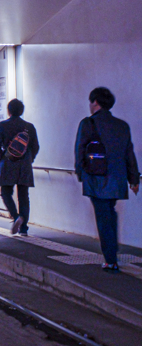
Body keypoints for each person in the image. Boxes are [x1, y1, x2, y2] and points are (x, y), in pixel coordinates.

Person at [74, 87, 140, 273]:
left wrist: (80, 172)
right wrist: (134, 179)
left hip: (96, 178)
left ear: (95, 102)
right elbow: (129, 154)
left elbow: (80, 150)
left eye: (90, 102)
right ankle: (112, 250)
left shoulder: (88, 123)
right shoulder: (122, 125)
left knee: (103, 216)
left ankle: (111, 259)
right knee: (109, 212)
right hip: (117, 180)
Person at [0, 99, 40, 234]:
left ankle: (16, 216)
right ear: (21, 111)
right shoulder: (29, 127)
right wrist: (30, 160)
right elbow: (36, 146)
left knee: (6, 193)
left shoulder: (2, 125)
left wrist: (1, 158)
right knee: (24, 196)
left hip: (8, 163)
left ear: (9, 111)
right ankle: (24, 229)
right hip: (24, 166)